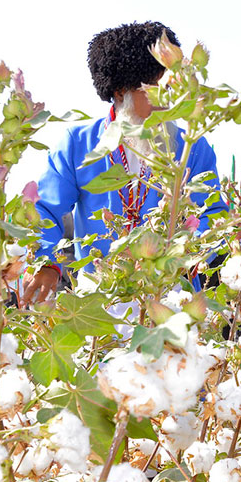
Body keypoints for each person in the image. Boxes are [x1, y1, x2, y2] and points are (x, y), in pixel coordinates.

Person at [23, 22, 227, 305]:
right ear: (120, 91)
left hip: (170, 297)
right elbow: (43, 209)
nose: (166, 99)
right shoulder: (78, 144)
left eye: (170, 86)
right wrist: (47, 263)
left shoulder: (192, 146)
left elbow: (214, 212)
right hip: (101, 298)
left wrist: (185, 252)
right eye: (155, 88)